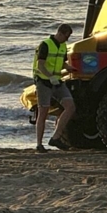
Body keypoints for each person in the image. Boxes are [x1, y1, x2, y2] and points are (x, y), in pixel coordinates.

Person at [33, 24, 76, 153]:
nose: (67, 40)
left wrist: (68, 67)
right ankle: (39, 145)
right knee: (43, 112)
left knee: (70, 106)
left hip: (57, 82)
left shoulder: (63, 46)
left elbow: (61, 62)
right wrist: (50, 77)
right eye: (66, 36)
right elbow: (40, 65)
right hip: (44, 82)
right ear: (60, 33)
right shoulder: (45, 45)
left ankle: (56, 137)